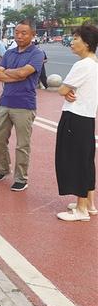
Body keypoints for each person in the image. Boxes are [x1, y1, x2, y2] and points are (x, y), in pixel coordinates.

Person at [0, 20, 45, 191]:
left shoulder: (37, 54)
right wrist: (17, 75)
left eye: (24, 33)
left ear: (33, 35)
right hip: (5, 102)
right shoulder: (9, 53)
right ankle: (3, 169)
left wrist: (8, 72)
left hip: (24, 104)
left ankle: (21, 178)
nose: (19, 36)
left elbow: (24, 73)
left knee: (22, 144)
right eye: (17, 32)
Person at [55, 24, 98, 221]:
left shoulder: (82, 65)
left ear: (87, 43)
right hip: (87, 118)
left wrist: (66, 92)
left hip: (75, 117)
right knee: (86, 160)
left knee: (75, 161)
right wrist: (69, 92)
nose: (71, 42)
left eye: (75, 39)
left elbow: (62, 90)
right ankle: (89, 204)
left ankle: (81, 210)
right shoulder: (94, 64)